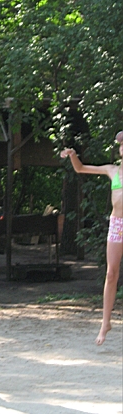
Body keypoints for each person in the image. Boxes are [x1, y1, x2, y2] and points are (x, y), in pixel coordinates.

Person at [61, 131, 123, 346]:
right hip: (117, 224)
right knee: (111, 273)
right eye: (121, 145)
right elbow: (80, 169)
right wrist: (72, 155)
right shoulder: (112, 170)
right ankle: (105, 323)